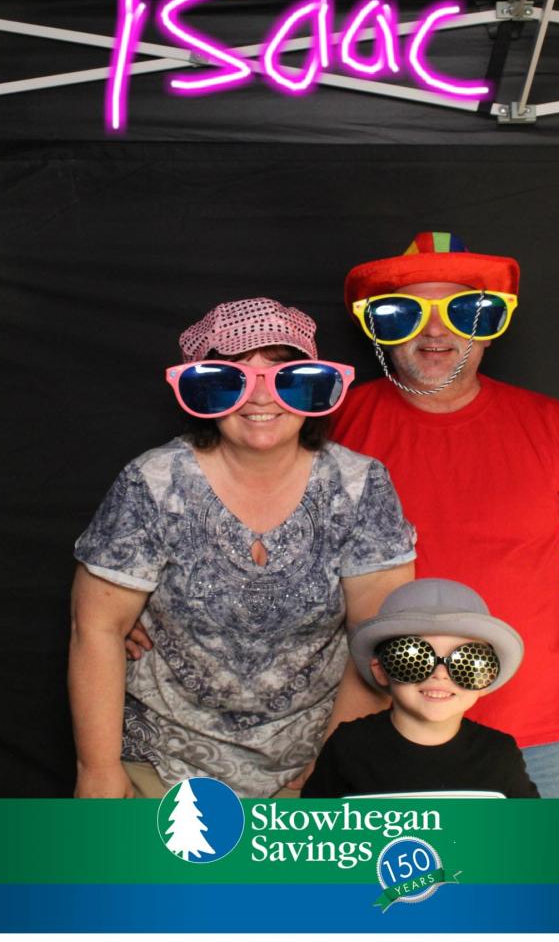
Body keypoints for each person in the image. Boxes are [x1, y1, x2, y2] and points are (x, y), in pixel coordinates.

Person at [330, 231, 559, 798]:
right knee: (379, 863)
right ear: (378, 327)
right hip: (380, 734)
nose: (435, 332)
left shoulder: (554, 427)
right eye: (407, 312)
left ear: (491, 325)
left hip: (543, 737)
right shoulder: (335, 425)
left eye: (462, 311)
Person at [69, 297, 416, 799]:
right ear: (201, 391)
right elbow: (96, 628)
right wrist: (98, 769)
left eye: (285, 376)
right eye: (231, 378)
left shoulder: (360, 486)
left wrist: (331, 765)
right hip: (160, 764)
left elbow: (375, 640)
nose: (260, 397)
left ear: (314, 388)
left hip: (313, 763)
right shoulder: (153, 482)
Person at [302, 578, 539, 798]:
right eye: (414, 658)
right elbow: (314, 823)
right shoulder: (349, 745)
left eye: (466, 660)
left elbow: (530, 827)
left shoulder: (499, 753)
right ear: (381, 670)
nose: (440, 673)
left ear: (486, 678)